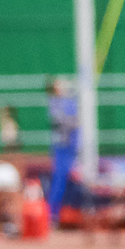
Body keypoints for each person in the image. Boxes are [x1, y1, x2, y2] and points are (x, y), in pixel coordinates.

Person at [45, 77, 80, 221]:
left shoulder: (70, 102)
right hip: (61, 147)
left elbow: (76, 121)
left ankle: (65, 212)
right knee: (59, 180)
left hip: (72, 146)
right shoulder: (54, 103)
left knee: (70, 180)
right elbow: (61, 121)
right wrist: (72, 121)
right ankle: (52, 212)